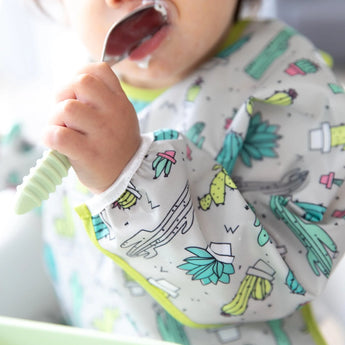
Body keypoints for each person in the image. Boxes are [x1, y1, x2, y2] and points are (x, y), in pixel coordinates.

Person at [3, 0, 345, 343]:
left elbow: (269, 283)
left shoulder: (289, 90)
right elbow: (34, 145)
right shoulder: (81, 79)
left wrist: (130, 178)